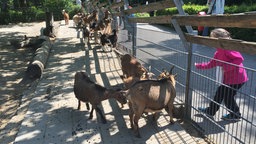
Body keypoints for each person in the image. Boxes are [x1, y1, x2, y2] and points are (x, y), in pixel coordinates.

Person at [195, 28, 248, 120]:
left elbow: (239, 59)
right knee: (220, 95)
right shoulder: (218, 51)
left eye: (213, 39)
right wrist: (199, 65)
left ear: (219, 39)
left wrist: (226, 68)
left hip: (236, 79)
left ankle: (235, 114)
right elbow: (212, 64)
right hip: (228, 79)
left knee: (228, 97)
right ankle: (211, 111)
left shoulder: (228, 48)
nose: (212, 41)